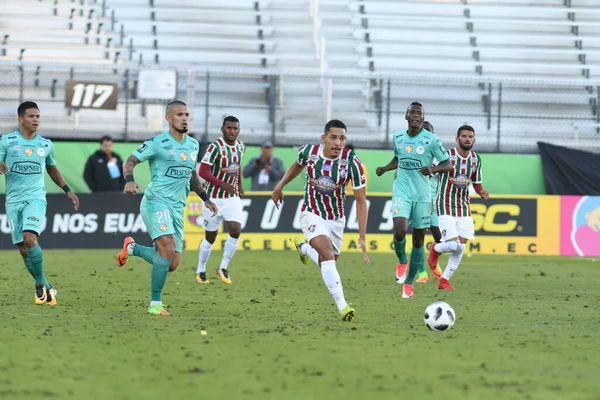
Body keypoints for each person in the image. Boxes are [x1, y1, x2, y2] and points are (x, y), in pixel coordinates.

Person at [115, 100, 218, 316]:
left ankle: (132, 249)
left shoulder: (193, 145)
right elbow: (130, 161)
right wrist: (129, 180)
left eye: (187, 115)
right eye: (180, 114)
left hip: (177, 207)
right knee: (167, 247)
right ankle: (155, 304)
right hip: (156, 200)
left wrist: (205, 198)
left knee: (171, 263)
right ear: (169, 118)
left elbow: (191, 175)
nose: (184, 119)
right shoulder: (157, 142)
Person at [271, 119, 369, 321]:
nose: (338, 143)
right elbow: (297, 166)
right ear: (324, 138)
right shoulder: (309, 152)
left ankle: (304, 249)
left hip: (336, 219)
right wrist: (279, 187)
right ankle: (343, 306)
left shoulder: (352, 162)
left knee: (328, 262)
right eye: (333, 137)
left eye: (342, 138)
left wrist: (362, 235)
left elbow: (361, 201)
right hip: (311, 212)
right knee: (326, 254)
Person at [0, 101, 80, 306]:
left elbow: (52, 169)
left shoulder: (45, 144)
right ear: (20, 120)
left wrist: (68, 190)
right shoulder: (7, 141)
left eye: (37, 117)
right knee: (23, 249)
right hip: (13, 200)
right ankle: (46, 285)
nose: (35, 120)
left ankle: (38, 284)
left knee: (29, 238)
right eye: (31, 116)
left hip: (36, 197)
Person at [375, 102, 452, 299]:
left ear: (423, 117)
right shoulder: (398, 137)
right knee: (400, 230)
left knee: (419, 240)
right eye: (412, 112)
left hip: (423, 195)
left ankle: (409, 284)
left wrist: (432, 170)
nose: (416, 115)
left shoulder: (432, 140)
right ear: (406, 116)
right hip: (402, 190)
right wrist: (385, 168)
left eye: (419, 113)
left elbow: (448, 164)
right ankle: (402, 260)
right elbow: (397, 159)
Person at [427, 125, 489, 290]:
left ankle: (444, 280)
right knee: (453, 245)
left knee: (461, 247)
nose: (467, 139)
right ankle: (435, 248)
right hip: (445, 204)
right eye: (464, 136)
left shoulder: (476, 159)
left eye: (470, 136)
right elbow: (430, 171)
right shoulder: (447, 156)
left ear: (474, 140)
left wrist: (481, 191)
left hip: (463, 206)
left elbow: (476, 184)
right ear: (457, 139)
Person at [195, 116, 245, 285]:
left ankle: (223, 267)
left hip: (231, 197)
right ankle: (201, 269)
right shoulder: (215, 147)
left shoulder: (240, 146)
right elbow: (202, 171)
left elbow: (237, 167)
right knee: (211, 237)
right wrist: (222, 184)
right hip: (213, 198)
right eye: (229, 128)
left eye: (235, 128)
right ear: (222, 129)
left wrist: (240, 185)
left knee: (235, 230)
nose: (232, 131)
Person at [419, 121, 443, 283]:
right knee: (418, 236)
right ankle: (421, 272)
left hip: (434, 202)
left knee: (439, 237)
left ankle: (433, 260)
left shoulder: (438, 156)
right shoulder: (411, 154)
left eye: (429, 132)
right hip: (417, 200)